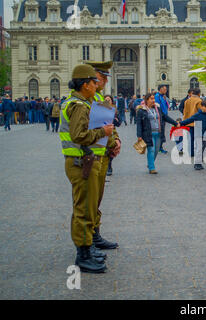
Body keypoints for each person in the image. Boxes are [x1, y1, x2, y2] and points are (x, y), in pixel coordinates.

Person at [60, 64, 114, 273]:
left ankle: (87, 248)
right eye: (93, 81)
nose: (97, 84)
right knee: (83, 208)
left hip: (83, 160)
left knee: (88, 206)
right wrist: (103, 131)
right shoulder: (79, 105)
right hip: (81, 161)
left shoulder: (80, 102)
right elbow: (79, 135)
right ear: (85, 85)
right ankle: (83, 254)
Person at [85, 61, 121, 250]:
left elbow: (108, 125)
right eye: (103, 77)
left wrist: (116, 141)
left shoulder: (98, 97)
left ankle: (94, 235)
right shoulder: (85, 99)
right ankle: (87, 244)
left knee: (96, 200)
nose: (106, 80)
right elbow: (90, 129)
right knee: (88, 202)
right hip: (89, 156)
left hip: (101, 155)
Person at [137, 92, 178, 174]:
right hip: (148, 134)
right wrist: (139, 135)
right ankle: (152, 168)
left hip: (158, 133)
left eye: (154, 99)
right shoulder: (141, 110)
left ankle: (150, 163)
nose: (153, 100)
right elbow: (139, 124)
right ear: (147, 100)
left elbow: (165, 117)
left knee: (156, 151)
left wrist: (175, 123)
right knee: (151, 150)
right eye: (151, 99)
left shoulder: (157, 109)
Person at [183, 88, 202, 157]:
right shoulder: (199, 101)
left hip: (188, 122)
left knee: (190, 139)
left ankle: (191, 152)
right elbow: (201, 112)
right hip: (197, 123)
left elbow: (185, 112)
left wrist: (184, 121)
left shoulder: (187, 101)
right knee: (198, 139)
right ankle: (198, 153)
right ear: (199, 93)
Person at [155, 85, 170, 154]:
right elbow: (158, 108)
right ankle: (159, 148)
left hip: (164, 117)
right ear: (160, 89)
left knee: (162, 132)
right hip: (161, 117)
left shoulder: (162, 97)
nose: (166, 91)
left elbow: (166, 106)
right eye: (165, 89)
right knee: (160, 133)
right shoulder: (157, 97)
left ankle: (160, 147)